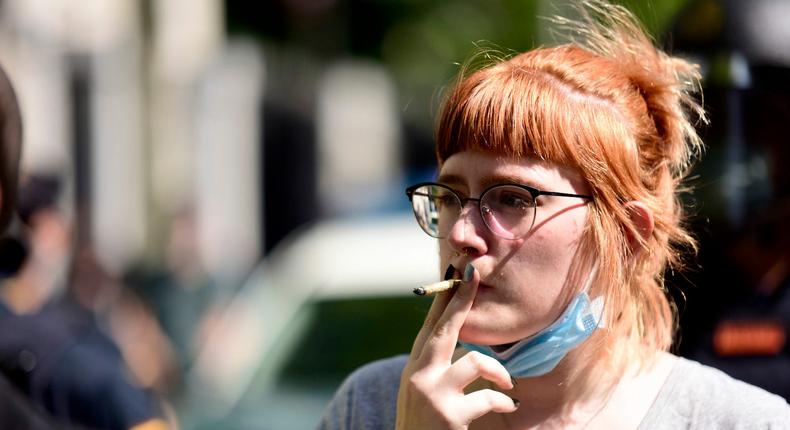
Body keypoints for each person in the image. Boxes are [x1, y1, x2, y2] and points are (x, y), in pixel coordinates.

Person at [318, 1, 790, 428]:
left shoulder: (741, 421)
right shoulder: (373, 406)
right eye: (449, 197)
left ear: (628, 236)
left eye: (513, 200)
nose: (463, 233)